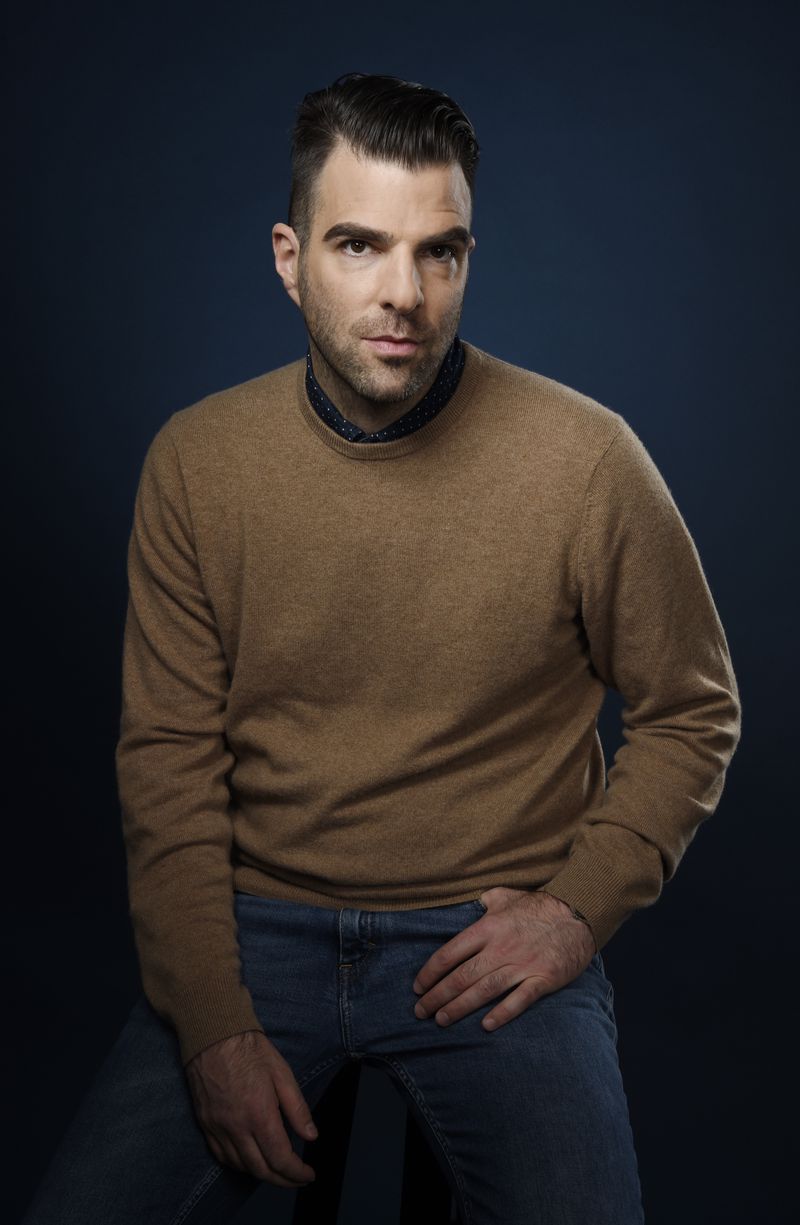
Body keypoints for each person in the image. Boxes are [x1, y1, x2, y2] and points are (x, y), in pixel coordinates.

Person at [22, 72, 741, 1225]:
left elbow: (693, 710)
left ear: (465, 258)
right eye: (358, 245)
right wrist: (211, 1023)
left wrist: (571, 913)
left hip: (485, 938)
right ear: (288, 256)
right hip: (254, 928)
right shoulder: (197, 462)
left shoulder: (588, 459)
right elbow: (165, 761)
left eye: (438, 252)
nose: (403, 293)